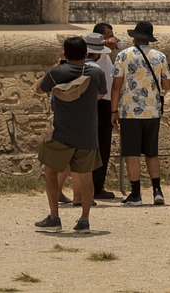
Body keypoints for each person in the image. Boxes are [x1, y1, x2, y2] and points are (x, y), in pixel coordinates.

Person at [35, 35, 107, 233]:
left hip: (62, 134)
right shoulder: (95, 73)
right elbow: (100, 95)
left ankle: (54, 217)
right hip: (87, 134)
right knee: (86, 178)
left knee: (50, 173)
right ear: (86, 53)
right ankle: (84, 220)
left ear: (65, 53)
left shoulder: (56, 72)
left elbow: (39, 90)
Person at [112, 20, 170, 206]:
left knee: (132, 153)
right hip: (152, 111)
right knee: (151, 153)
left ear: (135, 37)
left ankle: (136, 193)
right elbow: (167, 85)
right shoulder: (160, 57)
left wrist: (113, 110)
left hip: (130, 111)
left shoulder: (123, 55)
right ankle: (157, 191)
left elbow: (116, 87)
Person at [86, 28, 119, 199]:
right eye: (108, 34)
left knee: (103, 147)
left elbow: (116, 42)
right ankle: (90, 186)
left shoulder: (104, 54)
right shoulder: (93, 53)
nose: (112, 37)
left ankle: (98, 185)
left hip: (106, 103)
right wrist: (102, 43)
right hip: (97, 103)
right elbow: (112, 42)